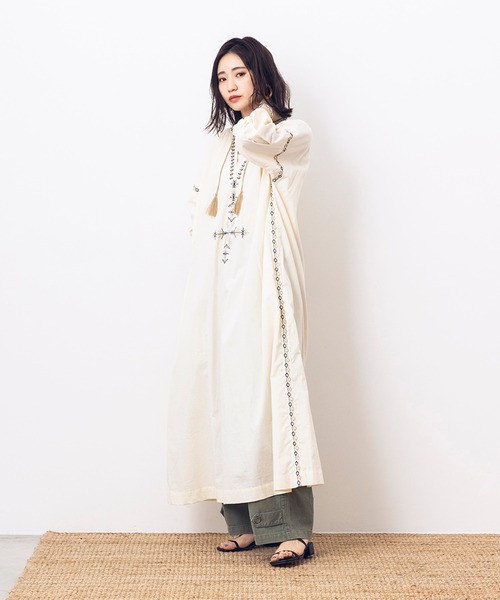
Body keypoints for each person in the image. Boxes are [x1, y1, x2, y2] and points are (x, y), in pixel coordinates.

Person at [166, 36, 324, 567]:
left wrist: (258, 110)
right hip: (221, 280)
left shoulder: (289, 133)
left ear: (261, 74)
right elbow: (198, 206)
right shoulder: (220, 145)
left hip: (266, 277)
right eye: (222, 78)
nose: (229, 86)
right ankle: (245, 524)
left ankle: (293, 530)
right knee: (226, 389)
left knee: (271, 390)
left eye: (239, 74)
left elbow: (260, 144)